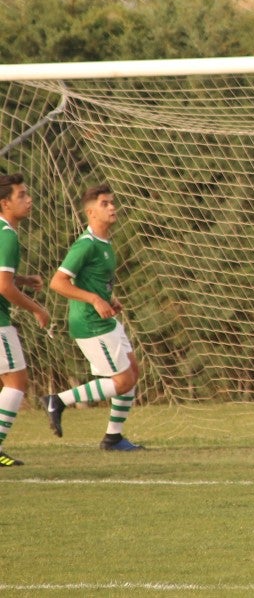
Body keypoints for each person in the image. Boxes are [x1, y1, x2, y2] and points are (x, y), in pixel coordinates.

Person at [43, 183, 145, 451]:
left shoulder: (105, 242)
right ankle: (58, 400)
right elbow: (58, 282)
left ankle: (113, 437)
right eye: (104, 204)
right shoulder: (85, 245)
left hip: (104, 318)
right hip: (89, 322)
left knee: (132, 372)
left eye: (112, 202)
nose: (112, 207)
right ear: (90, 212)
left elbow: (93, 281)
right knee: (122, 381)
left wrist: (108, 298)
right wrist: (95, 299)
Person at [0, 173, 51, 467]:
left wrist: (21, 278)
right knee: (17, 383)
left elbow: (5, 279)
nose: (29, 199)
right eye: (21, 195)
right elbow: (3, 287)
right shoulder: (7, 235)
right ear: (5, 203)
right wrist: (36, 309)